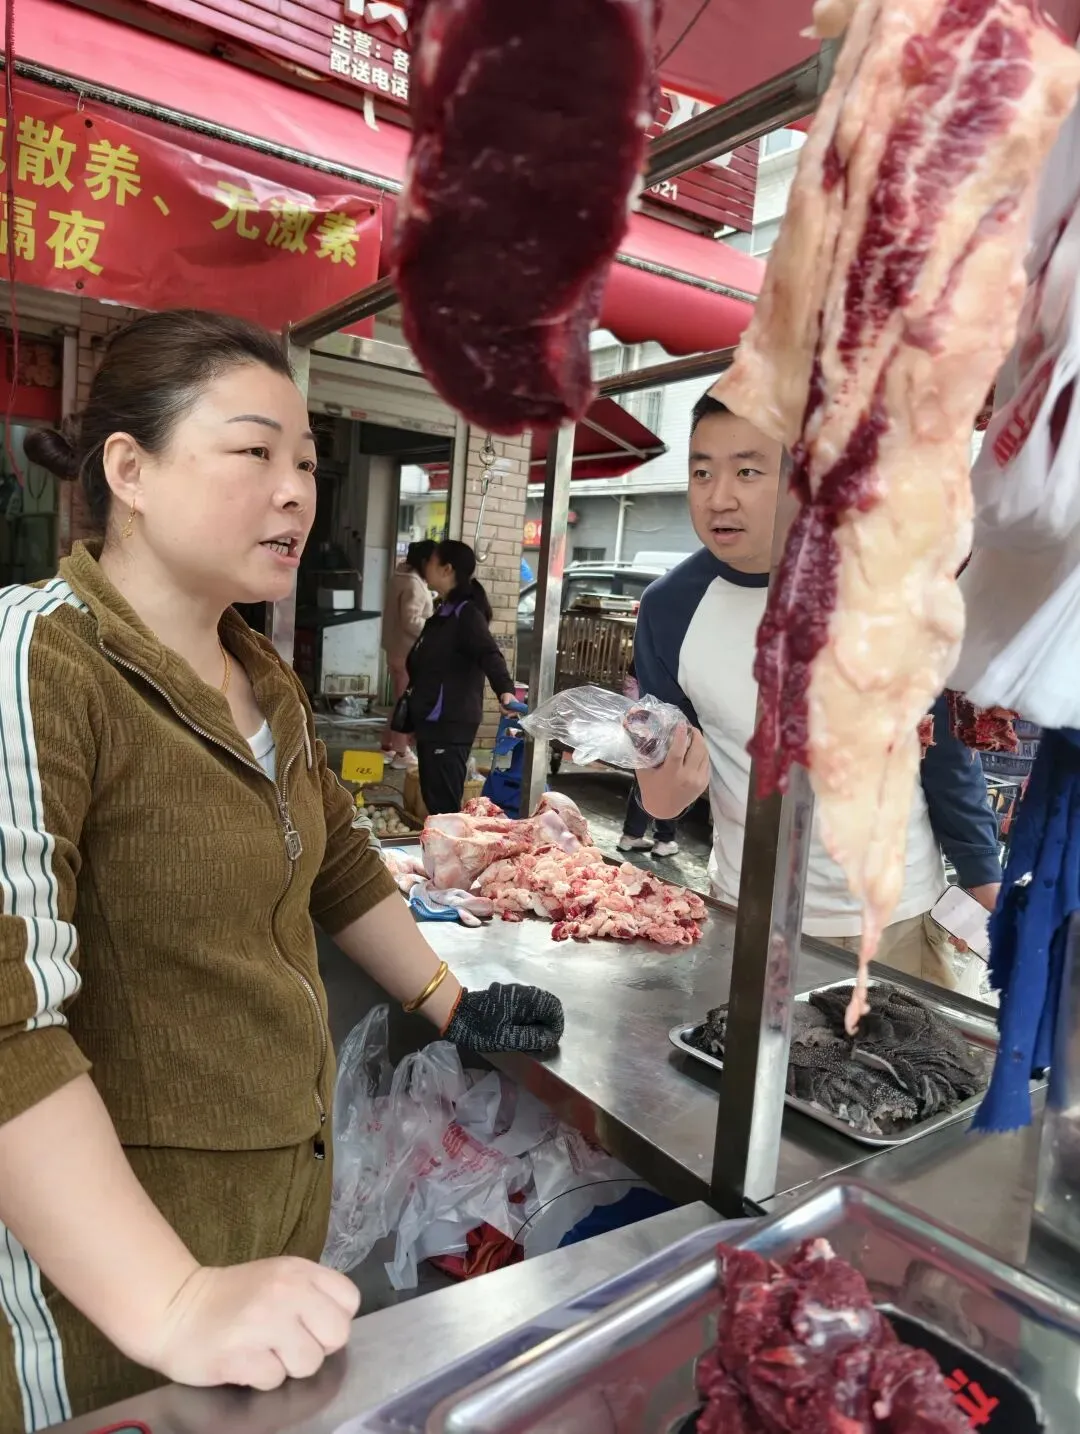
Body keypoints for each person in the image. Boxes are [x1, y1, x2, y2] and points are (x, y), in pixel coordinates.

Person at [1, 309, 563, 1432]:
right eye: (253, 451)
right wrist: (168, 1298)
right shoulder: (38, 660)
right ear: (131, 470)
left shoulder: (264, 677)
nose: (297, 491)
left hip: (270, 1223)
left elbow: (338, 863)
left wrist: (449, 999)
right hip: (109, 1291)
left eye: (306, 462)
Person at [634, 391, 1002, 989]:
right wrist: (657, 796)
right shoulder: (668, 607)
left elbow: (944, 752)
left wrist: (988, 887)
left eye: (748, 470)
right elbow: (661, 761)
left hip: (896, 924)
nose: (718, 496)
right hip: (744, 914)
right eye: (702, 471)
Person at [407, 539, 517, 815]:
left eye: (431, 561)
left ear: (447, 569)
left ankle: (450, 856)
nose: (425, 566)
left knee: (444, 807)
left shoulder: (466, 614)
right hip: (431, 721)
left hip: (449, 724)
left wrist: (505, 689)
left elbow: (489, 653)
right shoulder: (443, 612)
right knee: (435, 802)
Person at [381, 539, 435, 769]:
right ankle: (401, 752)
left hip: (396, 650)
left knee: (399, 701)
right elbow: (410, 619)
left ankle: (388, 745)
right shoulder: (413, 583)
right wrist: (433, 627)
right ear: (424, 561)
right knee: (406, 704)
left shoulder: (399, 577)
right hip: (407, 653)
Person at [618, 661, 679, 856]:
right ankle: (664, 839)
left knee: (644, 778)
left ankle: (631, 836)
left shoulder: (643, 650)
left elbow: (629, 689)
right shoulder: (676, 651)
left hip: (643, 723)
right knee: (670, 779)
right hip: (670, 722)